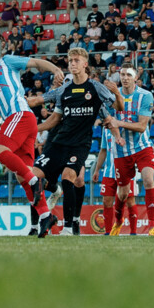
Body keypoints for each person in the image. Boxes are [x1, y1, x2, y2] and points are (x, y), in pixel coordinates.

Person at [31, 48, 123, 238]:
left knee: (68, 177)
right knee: (33, 176)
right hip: (59, 142)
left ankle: (67, 227)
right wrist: (34, 129)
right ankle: (45, 217)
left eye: (75, 60)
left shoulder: (96, 88)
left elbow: (117, 107)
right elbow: (54, 119)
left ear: (85, 64)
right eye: (70, 60)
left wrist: (117, 94)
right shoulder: (64, 90)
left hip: (80, 144)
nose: (72, 64)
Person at [0, 49, 64, 218]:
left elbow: (35, 62)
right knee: (22, 175)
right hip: (24, 121)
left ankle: (36, 182)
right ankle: (45, 217)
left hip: (19, 115)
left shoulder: (6, 62)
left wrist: (55, 70)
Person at [107, 65, 154, 236]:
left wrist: (119, 124)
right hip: (121, 150)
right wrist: (116, 136)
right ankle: (118, 221)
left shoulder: (145, 95)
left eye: (129, 74)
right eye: (122, 74)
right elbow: (110, 121)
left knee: (148, 180)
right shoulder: (112, 96)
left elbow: (142, 126)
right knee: (122, 193)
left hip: (142, 147)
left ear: (136, 78)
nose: (125, 77)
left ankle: (152, 226)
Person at [92, 127, 137, 235]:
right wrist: (97, 170)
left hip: (126, 170)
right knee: (106, 201)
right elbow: (103, 150)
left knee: (130, 201)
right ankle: (108, 233)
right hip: (109, 172)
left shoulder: (127, 124)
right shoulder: (106, 128)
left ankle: (133, 233)